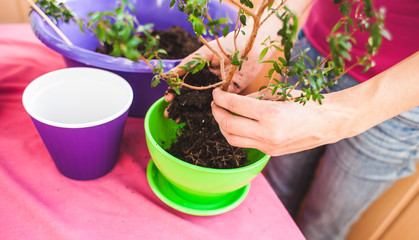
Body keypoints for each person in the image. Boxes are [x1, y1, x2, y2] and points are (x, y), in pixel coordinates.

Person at [166, 0, 419, 239]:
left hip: (396, 103)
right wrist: (264, 32)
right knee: (275, 192)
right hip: (310, 53)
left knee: (323, 223)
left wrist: (344, 115)